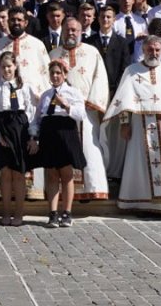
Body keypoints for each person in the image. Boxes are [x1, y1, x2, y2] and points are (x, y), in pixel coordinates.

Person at [102, 35, 161, 215]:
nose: (154, 53)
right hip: (139, 127)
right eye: (150, 49)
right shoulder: (131, 71)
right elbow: (123, 100)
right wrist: (125, 123)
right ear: (143, 50)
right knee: (139, 164)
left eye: (157, 50)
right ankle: (139, 203)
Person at [49, 16, 109, 200]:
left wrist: (91, 102)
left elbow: (100, 78)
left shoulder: (92, 52)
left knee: (89, 150)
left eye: (74, 30)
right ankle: (63, 193)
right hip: (60, 113)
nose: (71, 33)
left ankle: (90, 190)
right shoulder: (53, 55)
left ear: (81, 31)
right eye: (67, 29)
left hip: (86, 112)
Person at [31, 60, 88, 228]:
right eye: (52, 73)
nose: (55, 76)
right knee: (51, 174)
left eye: (58, 73)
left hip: (65, 132)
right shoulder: (46, 95)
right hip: (49, 133)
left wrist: (66, 105)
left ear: (64, 74)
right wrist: (34, 135)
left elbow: (81, 114)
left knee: (66, 174)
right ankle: (53, 213)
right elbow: (38, 118)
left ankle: (67, 212)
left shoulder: (73, 92)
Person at [0, 51, 37, 226]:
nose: (6, 70)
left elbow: (31, 112)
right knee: (6, 172)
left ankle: (19, 213)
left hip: (20, 130)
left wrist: (31, 135)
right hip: (3, 131)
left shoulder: (25, 87)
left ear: (15, 67)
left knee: (19, 173)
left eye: (9, 66)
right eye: (3, 67)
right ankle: (6, 212)